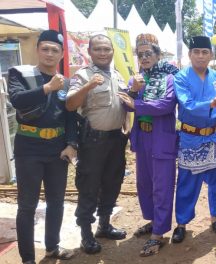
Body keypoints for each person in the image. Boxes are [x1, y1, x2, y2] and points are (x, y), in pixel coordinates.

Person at [8, 29, 77, 264]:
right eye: (45, 48)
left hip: (57, 150)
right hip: (29, 149)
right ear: (37, 50)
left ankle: (52, 248)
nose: (49, 53)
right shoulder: (20, 74)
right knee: (27, 205)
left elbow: (70, 117)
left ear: (61, 54)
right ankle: (27, 259)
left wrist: (71, 144)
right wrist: (47, 88)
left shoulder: (67, 82)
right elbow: (16, 100)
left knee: (56, 202)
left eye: (54, 50)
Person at [66, 34, 128, 254]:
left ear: (112, 52)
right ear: (90, 52)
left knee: (113, 183)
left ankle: (104, 225)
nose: (103, 53)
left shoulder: (118, 75)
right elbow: (71, 105)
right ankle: (85, 235)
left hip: (116, 140)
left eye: (107, 49)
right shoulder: (83, 75)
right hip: (93, 142)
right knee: (89, 187)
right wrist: (88, 86)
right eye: (98, 49)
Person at [119, 33, 179, 257]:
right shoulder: (137, 78)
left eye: (148, 54)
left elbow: (164, 105)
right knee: (144, 183)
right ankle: (153, 221)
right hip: (142, 138)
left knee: (162, 186)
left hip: (161, 137)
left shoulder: (170, 78)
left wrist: (136, 102)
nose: (144, 58)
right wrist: (133, 91)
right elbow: (125, 105)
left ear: (158, 55)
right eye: (140, 54)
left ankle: (159, 234)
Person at [171, 36, 216, 243]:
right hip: (191, 136)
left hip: (215, 135)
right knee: (188, 181)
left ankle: (215, 217)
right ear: (189, 55)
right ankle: (181, 223)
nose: (200, 56)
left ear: (211, 55)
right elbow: (186, 104)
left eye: (205, 52)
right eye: (196, 51)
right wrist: (210, 104)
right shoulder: (181, 77)